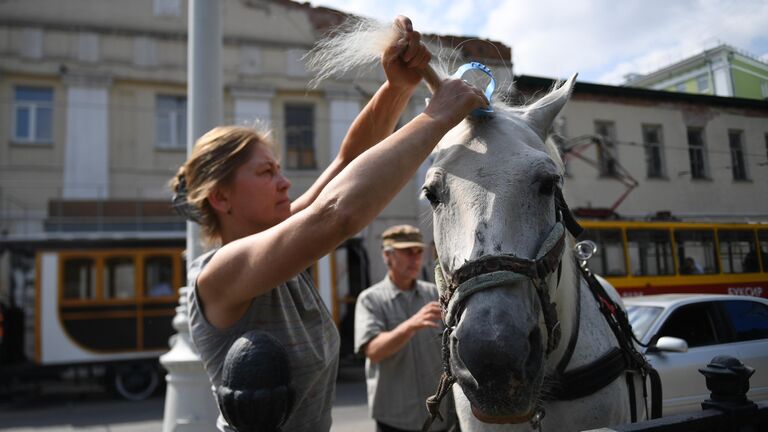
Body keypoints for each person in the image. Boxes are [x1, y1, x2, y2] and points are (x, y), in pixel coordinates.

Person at [172, 16, 488, 432]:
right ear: (221, 197)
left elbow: (346, 162)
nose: (284, 182)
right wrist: (437, 115)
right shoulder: (218, 273)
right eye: (267, 173)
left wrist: (397, 88)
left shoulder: (278, 238)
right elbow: (338, 214)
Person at [354, 225, 454, 432]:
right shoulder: (371, 300)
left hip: (440, 418)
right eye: (407, 252)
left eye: (418, 252)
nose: (415, 258)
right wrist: (411, 324)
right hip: (395, 419)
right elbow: (373, 350)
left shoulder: (435, 294)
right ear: (387, 256)